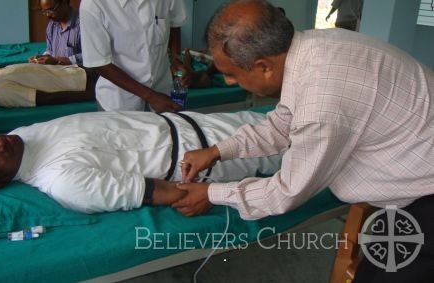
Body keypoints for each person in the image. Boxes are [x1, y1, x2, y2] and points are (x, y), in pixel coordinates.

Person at [175, 1, 433, 282]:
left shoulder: (320, 102)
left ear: (263, 67)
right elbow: (280, 125)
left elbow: (285, 192)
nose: (226, 82)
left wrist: (212, 194)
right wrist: (217, 151)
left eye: (232, 74)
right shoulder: (312, 48)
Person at [0, 110, 282, 214]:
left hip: (204, 121)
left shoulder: (20, 134)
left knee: (302, 120)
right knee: (316, 147)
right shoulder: (63, 180)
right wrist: (209, 194)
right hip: (215, 155)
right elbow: (165, 193)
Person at [79, 0, 187, 113]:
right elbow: (100, 64)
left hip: (163, 94)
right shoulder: (93, 4)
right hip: (119, 104)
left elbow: (175, 23)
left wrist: (176, 58)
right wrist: (151, 96)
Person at [28, 0, 82, 66]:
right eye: (45, 11)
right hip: (57, 73)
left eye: (51, 10)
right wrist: (42, 58)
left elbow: (91, 55)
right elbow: (50, 50)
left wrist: (58, 61)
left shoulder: (82, 24)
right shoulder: (51, 26)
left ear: (64, 2)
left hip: (79, 74)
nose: (48, 15)